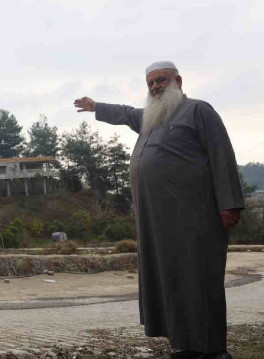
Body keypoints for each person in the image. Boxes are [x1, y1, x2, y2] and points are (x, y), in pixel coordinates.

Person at [74, 61, 243, 359]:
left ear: (177, 80)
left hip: (195, 219)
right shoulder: (151, 119)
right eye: (150, 83)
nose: (154, 87)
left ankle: (215, 349)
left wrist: (229, 204)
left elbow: (221, 154)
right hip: (158, 225)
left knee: (200, 282)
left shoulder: (198, 111)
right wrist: (96, 106)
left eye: (160, 80)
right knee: (172, 284)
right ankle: (185, 345)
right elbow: (125, 113)